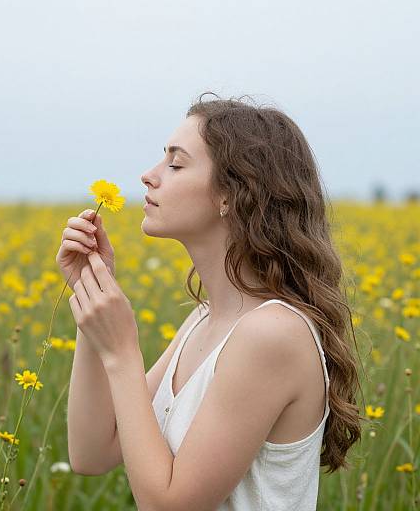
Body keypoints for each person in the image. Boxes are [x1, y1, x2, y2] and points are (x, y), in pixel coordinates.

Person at [59, 92, 365, 510]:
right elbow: (92, 453)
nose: (149, 176)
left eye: (176, 163)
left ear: (231, 196)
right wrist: (92, 296)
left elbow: (168, 505)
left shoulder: (272, 333)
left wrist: (121, 350)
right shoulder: (204, 320)